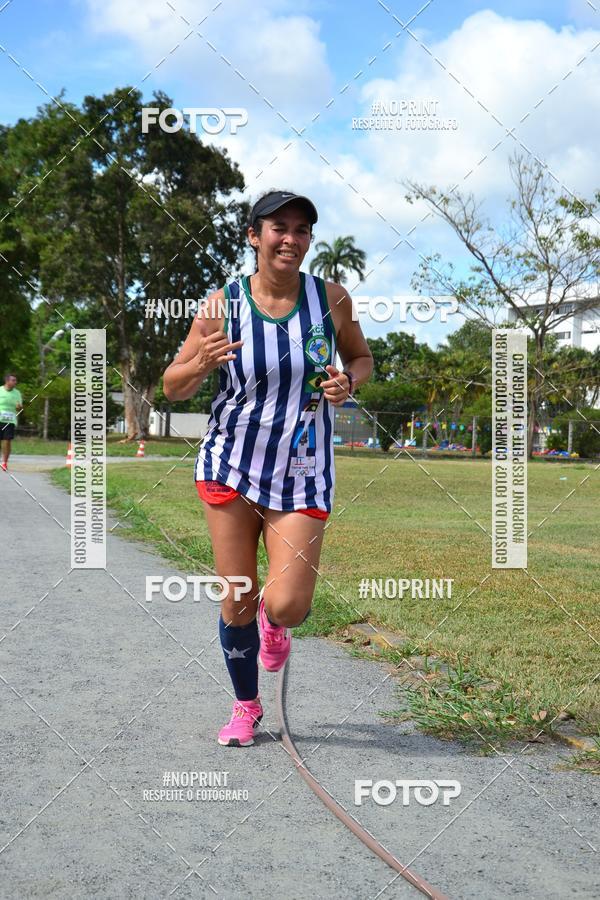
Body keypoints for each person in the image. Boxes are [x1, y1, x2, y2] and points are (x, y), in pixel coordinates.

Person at [163, 190, 373, 746]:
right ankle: (246, 705)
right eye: (279, 227)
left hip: (301, 470)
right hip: (230, 464)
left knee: (288, 604)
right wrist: (199, 363)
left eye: (302, 230)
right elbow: (172, 385)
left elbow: (361, 357)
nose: (291, 239)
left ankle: (273, 624)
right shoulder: (222, 305)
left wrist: (348, 382)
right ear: (254, 236)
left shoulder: (331, 299)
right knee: (237, 594)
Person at [0, 373, 23, 471]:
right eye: (13, 380)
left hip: (10, 420)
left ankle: (4, 462)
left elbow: (19, 408)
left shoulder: (17, 393)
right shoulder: (0, 390)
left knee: (7, 441)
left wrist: (19, 407)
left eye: (15, 380)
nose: (15, 382)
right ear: (7, 381)